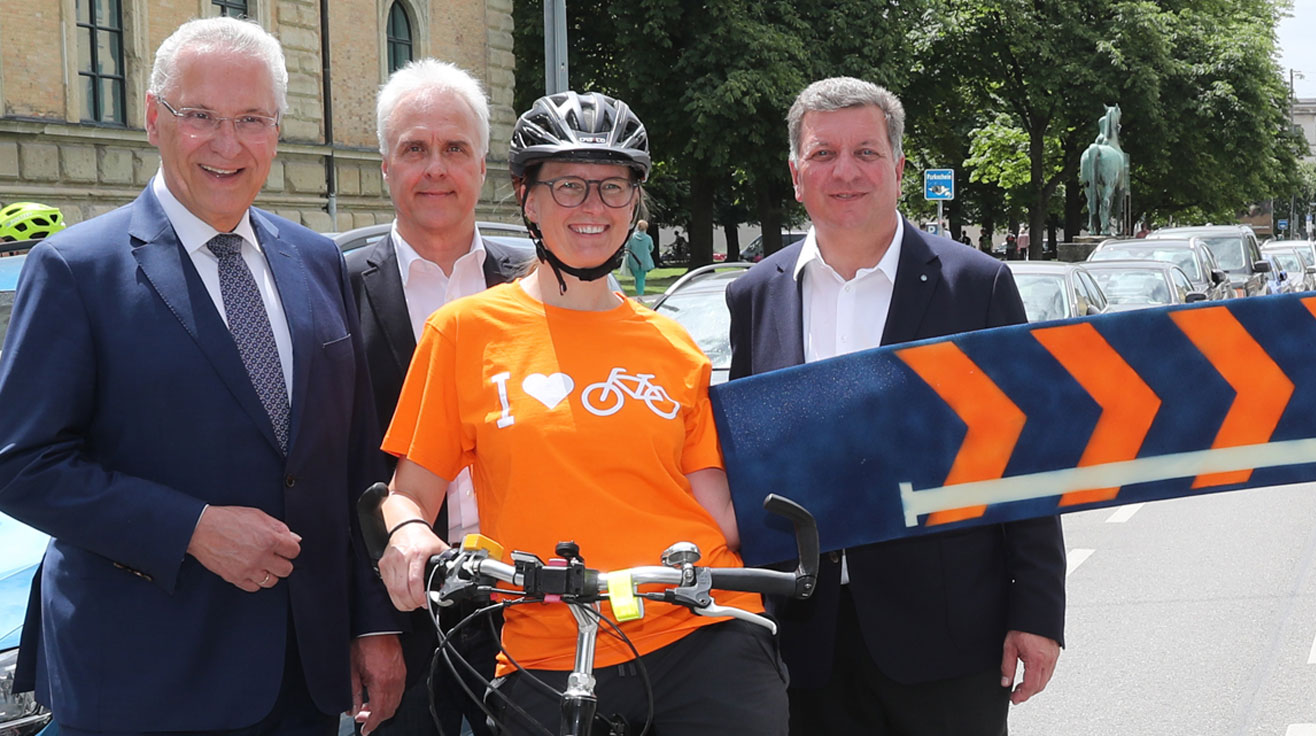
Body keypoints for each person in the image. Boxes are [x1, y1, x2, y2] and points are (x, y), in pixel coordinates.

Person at [0, 17, 403, 735]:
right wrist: (188, 528)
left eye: (251, 119)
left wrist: (375, 625)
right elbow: (22, 465)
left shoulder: (316, 261)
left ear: (276, 131)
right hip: (144, 678)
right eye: (200, 117)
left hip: (301, 679)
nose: (227, 144)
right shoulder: (73, 269)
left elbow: (355, 462)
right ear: (155, 118)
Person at [372, 90, 787, 734]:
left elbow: (719, 513)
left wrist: (838, 483)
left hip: (703, 628)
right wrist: (407, 535)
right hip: (546, 649)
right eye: (568, 186)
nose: (593, 207)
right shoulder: (466, 332)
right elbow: (409, 492)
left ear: (634, 204)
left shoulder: (672, 344)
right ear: (528, 199)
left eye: (613, 187)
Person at [726, 76, 1066, 736]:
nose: (845, 171)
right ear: (796, 175)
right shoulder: (754, 296)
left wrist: (1038, 612)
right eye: (823, 154)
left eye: (866, 152)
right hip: (802, 640)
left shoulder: (976, 285)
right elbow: (748, 461)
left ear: (900, 168)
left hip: (948, 638)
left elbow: (1025, 456)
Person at [344, 58, 529, 736]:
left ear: (483, 166)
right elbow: (334, 471)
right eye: (414, 149)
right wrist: (368, 624)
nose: (436, 169)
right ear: (385, 165)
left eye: (455, 149)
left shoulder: (542, 284)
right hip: (401, 611)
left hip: (531, 604)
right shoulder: (334, 291)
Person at [624, 218, 656, 294]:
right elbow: (651, 248)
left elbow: (627, 247)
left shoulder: (632, 237)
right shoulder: (648, 238)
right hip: (644, 261)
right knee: (641, 278)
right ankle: (640, 294)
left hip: (633, 260)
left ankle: (638, 292)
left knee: (637, 277)